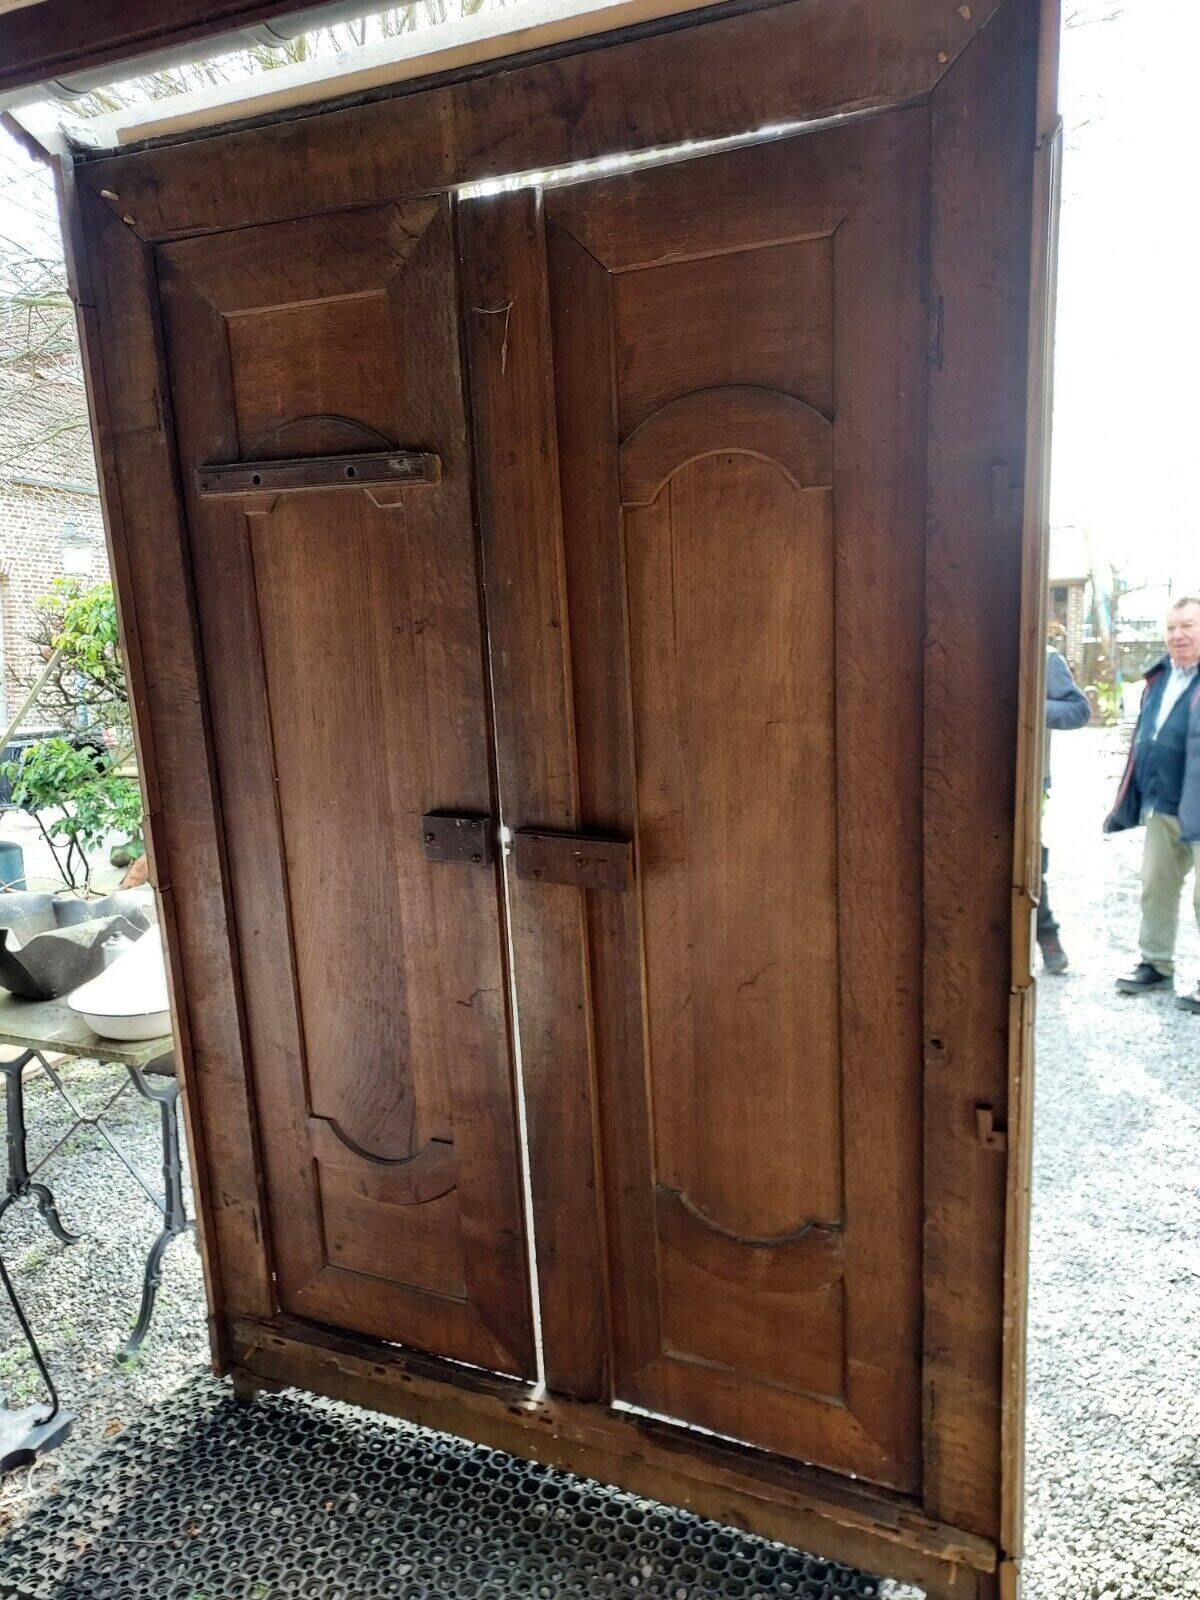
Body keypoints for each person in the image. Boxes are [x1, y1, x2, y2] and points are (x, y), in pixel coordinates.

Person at [1106, 596, 1200, 1013]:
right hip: (1164, 803)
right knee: (1156, 886)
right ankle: (1156, 964)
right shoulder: (1159, 676)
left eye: (1189, 626)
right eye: (1172, 627)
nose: (1178, 635)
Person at [1039, 642, 1091, 973]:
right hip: (962, 779)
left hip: (1028, 781)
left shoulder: (1043, 657)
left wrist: (1030, 703)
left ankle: (1046, 935)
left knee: (1025, 859)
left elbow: (1078, 710)